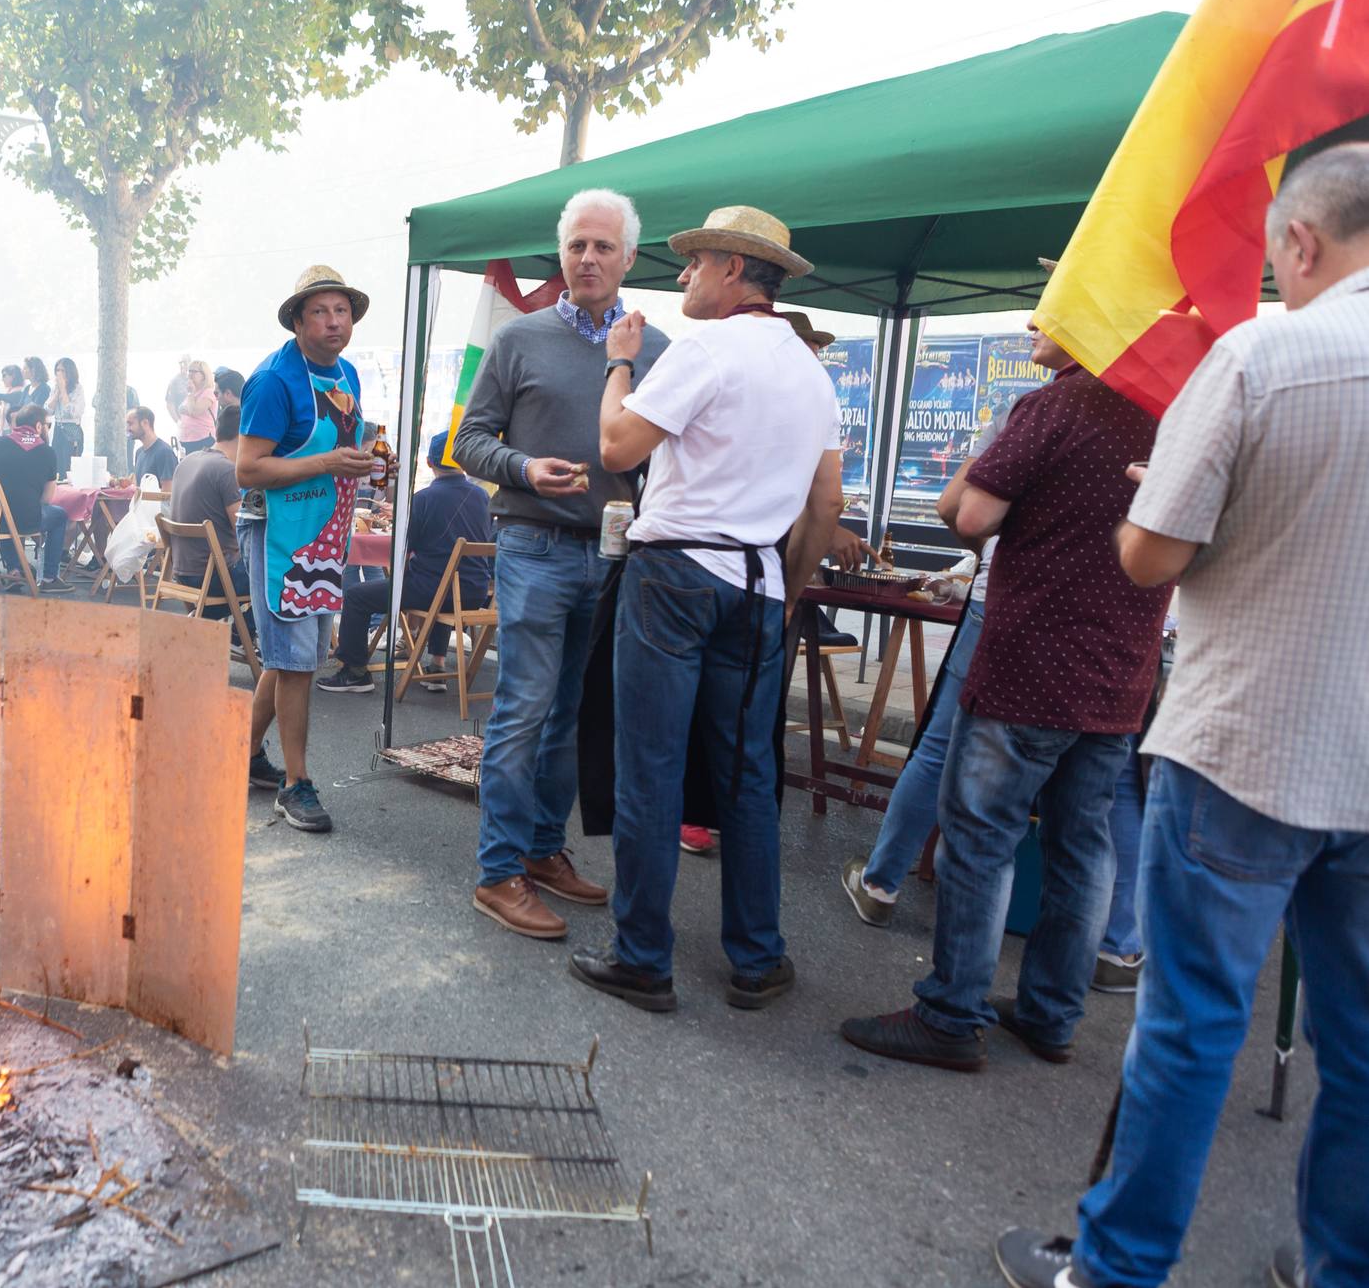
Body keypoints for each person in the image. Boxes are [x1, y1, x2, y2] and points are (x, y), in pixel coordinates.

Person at [995, 143, 1369, 1288]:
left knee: (1193, 1028)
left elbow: (1153, 550)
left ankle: (1116, 1270)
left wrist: (1157, 499)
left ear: (1299, 243)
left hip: (1244, 742)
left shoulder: (1267, 353)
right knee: (1359, 1053)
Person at [842, 291, 1170, 1075]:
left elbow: (969, 516)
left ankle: (950, 1015)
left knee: (979, 839)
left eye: (1052, 312)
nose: (1034, 325)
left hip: (1032, 661)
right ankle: (1050, 1015)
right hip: (1121, 669)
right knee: (1081, 843)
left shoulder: (1053, 407)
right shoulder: (1174, 410)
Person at [566, 206, 840, 1013]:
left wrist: (618, 364)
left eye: (693, 264)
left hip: (677, 574)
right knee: (746, 775)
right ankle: (758, 955)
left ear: (728, 268)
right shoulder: (809, 368)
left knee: (649, 769)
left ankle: (642, 957)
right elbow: (824, 503)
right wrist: (787, 595)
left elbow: (617, 448)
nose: (682, 277)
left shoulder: (706, 349)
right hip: (756, 583)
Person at [452, 190, 673, 939]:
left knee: (572, 716)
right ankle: (498, 873)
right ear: (562, 253)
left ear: (628, 259)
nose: (587, 259)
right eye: (576, 245)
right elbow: (467, 442)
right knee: (521, 711)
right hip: (533, 547)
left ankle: (544, 850)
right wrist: (521, 468)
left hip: (613, 557)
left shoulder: (658, 350)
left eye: (602, 247)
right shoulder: (519, 340)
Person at [236, 265, 377, 834]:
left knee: (295, 658)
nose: (333, 321)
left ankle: (240, 756)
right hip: (278, 534)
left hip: (325, 530)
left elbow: (343, 443)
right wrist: (327, 463)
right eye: (319, 311)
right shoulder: (273, 380)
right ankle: (296, 784)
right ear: (297, 321)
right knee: (295, 664)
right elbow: (246, 469)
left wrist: (367, 459)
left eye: (341, 311)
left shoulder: (347, 374)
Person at [319, 429, 492, 695]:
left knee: (356, 595)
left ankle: (355, 672)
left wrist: (402, 516)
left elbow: (405, 546)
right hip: (474, 592)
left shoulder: (424, 499)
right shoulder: (482, 497)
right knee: (445, 578)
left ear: (429, 463)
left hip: (433, 591)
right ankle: (436, 666)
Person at [0, 402, 73, 594]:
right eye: (47, 425)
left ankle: (14, 570)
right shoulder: (47, 452)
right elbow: (47, 498)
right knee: (58, 515)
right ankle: (49, 578)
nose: (47, 430)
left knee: (2, 512)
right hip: (27, 519)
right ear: (38, 427)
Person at [165, 404, 245, 604]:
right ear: (244, 436)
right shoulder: (226, 470)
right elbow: (244, 531)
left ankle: (239, 632)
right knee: (282, 575)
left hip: (183, 576)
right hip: (215, 581)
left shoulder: (187, 462)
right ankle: (240, 634)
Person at [48, 357, 86, 474]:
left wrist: (63, 389)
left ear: (70, 372)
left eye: (63, 370)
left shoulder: (77, 388)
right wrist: (57, 392)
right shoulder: (55, 388)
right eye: (57, 370)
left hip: (72, 428)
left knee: (69, 466)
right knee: (57, 465)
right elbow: (48, 410)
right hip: (58, 428)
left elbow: (72, 412)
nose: (59, 373)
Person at [126, 406, 179, 485]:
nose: (128, 429)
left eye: (131, 424)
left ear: (145, 423)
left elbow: (168, 493)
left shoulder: (164, 452)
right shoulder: (139, 453)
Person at [177, 362, 218, 452]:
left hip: (203, 439)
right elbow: (180, 409)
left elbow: (195, 411)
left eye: (194, 371)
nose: (190, 374)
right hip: (188, 440)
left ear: (204, 375)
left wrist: (190, 393)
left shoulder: (208, 393)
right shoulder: (194, 393)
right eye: (189, 371)